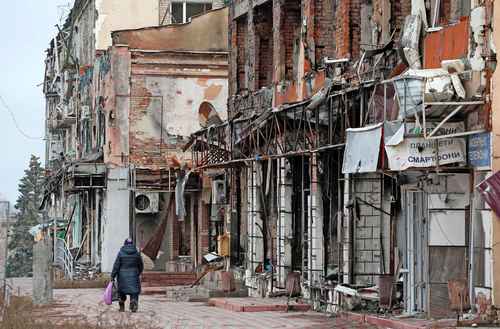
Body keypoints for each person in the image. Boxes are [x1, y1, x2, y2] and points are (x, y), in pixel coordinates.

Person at [111, 238, 144, 312]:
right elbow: (141, 265)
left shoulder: (121, 253)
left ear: (125, 244)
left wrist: (113, 275)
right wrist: (138, 273)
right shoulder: (137, 253)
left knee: (121, 292)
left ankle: (122, 307)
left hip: (122, 277)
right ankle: (133, 302)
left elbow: (116, 265)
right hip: (134, 275)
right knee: (134, 292)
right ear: (132, 244)